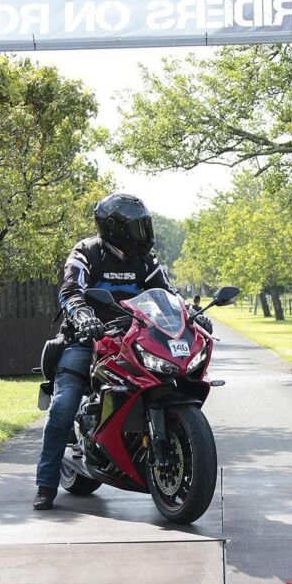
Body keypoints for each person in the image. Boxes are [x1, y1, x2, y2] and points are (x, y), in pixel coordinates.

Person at [33, 192, 176, 510]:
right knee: (64, 406)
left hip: (134, 339)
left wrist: (188, 314)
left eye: (144, 225)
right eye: (137, 227)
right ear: (115, 228)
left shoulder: (145, 261)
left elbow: (167, 294)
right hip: (87, 339)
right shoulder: (86, 252)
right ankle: (45, 484)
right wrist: (83, 315)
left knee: (170, 379)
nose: (143, 233)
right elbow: (71, 290)